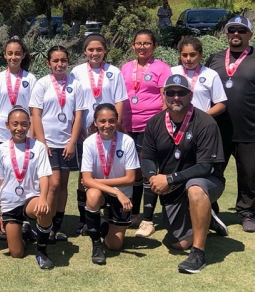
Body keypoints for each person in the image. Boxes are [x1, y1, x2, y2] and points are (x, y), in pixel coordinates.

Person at [205, 16, 255, 232]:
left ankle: (247, 212)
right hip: (217, 130)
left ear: (250, 34)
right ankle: (210, 210)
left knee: (248, 174)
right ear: (227, 34)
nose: (236, 35)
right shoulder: (214, 58)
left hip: (251, 130)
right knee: (212, 172)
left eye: (241, 31)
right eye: (232, 31)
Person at [142, 74, 228, 273]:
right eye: (170, 92)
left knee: (195, 189)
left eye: (181, 92)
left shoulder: (206, 122)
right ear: (164, 95)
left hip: (206, 181)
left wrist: (170, 179)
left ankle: (198, 253)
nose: (175, 97)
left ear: (190, 95)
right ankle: (207, 218)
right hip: (173, 186)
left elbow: (206, 166)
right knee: (177, 244)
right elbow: (147, 158)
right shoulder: (154, 122)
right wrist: (153, 177)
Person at [29, 45, 88, 243]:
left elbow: (78, 115)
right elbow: (35, 114)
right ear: (48, 63)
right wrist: (42, 142)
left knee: (63, 184)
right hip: (48, 143)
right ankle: (45, 224)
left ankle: (57, 226)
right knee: (52, 184)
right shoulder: (42, 84)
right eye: (55, 61)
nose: (59, 64)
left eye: (63, 60)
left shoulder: (76, 85)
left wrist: (72, 142)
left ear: (68, 62)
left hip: (67, 143)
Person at [70, 33, 128, 235]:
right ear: (85, 51)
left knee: (108, 167)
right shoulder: (76, 72)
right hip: (84, 131)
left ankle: (109, 211)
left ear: (105, 51)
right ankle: (83, 218)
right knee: (83, 175)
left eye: (99, 49)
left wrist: (116, 124)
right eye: (90, 49)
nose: (95, 53)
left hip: (108, 129)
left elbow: (119, 100)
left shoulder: (114, 71)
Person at [120, 29, 172, 237]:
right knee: (131, 172)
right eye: (138, 43)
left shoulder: (162, 68)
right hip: (125, 128)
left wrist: (157, 125)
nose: (142, 47)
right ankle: (132, 214)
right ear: (133, 46)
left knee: (147, 171)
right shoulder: (124, 68)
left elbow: (166, 99)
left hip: (149, 128)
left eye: (146, 43)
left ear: (154, 45)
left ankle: (148, 219)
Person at [0, 106, 55, 269]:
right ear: (7, 125)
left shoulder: (38, 147)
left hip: (30, 199)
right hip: (9, 203)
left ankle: (41, 251)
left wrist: (43, 198)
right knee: (16, 253)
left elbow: (44, 177)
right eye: (15, 124)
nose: (19, 128)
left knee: (44, 209)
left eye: (24, 124)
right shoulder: (0, 150)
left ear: (29, 125)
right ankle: (25, 233)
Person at [0, 37, 37, 241]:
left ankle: (25, 220)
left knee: (25, 174)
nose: (14, 57)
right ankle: (5, 217)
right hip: (2, 135)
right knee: (4, 178)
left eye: (17, 53)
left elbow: (35, 111)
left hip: (24, 135)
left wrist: (33, 135)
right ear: (4, 55)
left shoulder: (31, 78)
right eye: (10, 53)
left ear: (23, 55)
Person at [81, 103, 139, 265]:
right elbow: (86, 180)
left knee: (114, 245)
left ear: (117, 121)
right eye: (103, 121)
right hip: (107, 194)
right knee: (92, 194)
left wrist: (97, 181)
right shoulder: (89, 143)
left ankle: (100, 223)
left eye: (111, 121)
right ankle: (96, 245)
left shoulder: (126, 141)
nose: (107, 125)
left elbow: (130, 178)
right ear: (95, 122)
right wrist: (116, 192)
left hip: (122, 196)